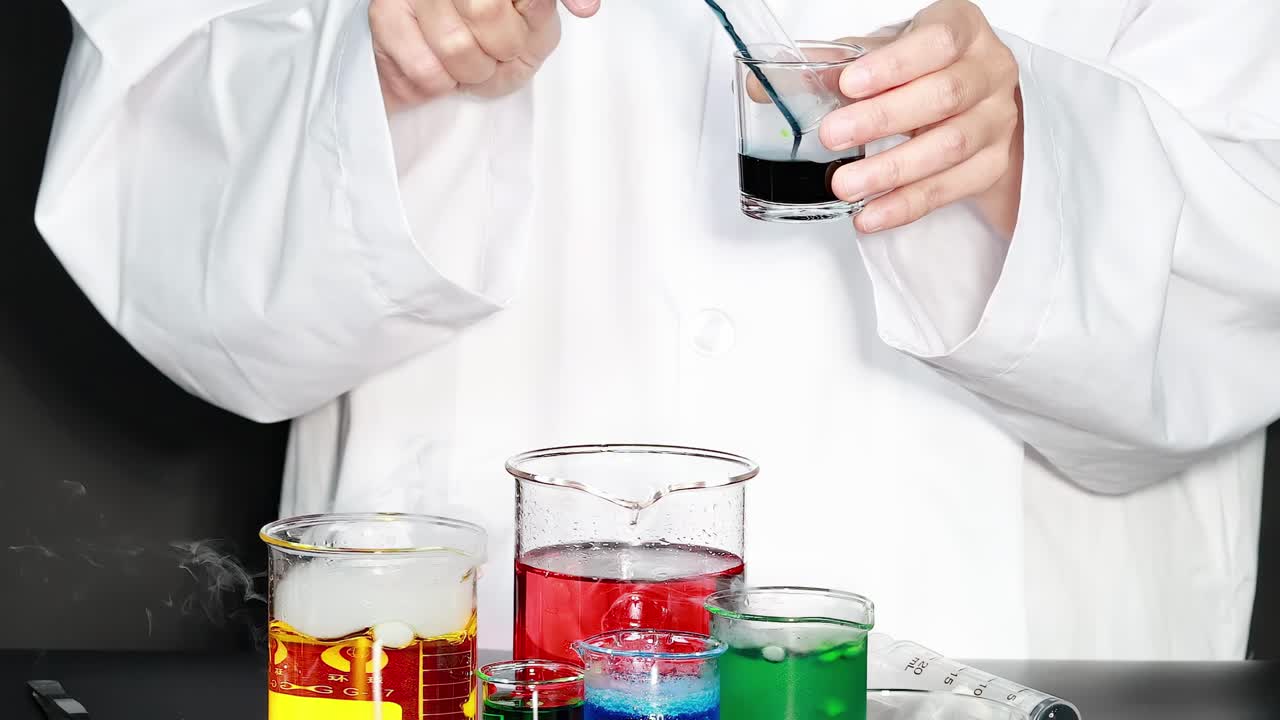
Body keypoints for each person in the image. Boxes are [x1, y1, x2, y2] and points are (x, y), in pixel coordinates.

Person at [36, 0, 1279, 660]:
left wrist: (1024, 158)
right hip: (470, 659)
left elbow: (1250, 291)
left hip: (1001, 653)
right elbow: (175, 263)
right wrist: (380, 69)